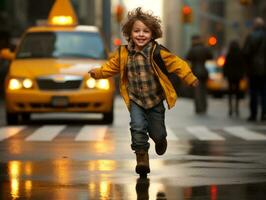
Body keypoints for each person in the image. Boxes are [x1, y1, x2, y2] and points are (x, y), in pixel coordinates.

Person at [88, 7, 198, 177]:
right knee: (137, 128)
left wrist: (189, 77)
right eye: (137, 31)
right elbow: (110, 67)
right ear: (129, 33)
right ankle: (142, 159)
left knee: (157, 132)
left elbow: (178, 64)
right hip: (135, 100)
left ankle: (161, 140)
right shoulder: (123, 53)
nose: (141, 34)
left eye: (146, 31)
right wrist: (98, 73)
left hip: (155, 100)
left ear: (152, 34)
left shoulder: (157, 52)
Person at [243, 17, 266, 122]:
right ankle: (264, 114)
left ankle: (253, 114)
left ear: (255, 26)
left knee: (253, 92)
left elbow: (245, 53)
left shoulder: (250, 37)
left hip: (253, 69)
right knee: (264, 92)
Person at [186, 35, 213, 114]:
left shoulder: (193, 49)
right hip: (204, 71)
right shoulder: (205, 48)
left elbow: (187, 58)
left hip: (196, 72)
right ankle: (204, 107)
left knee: (197, 91)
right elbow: (210, 56)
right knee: (204, 90)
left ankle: (199, 108)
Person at [223, 40, 246, 117]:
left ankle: (230, 109)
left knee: (230, 92)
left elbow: (225, 66)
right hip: (238, 76)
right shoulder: (240, 54)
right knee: (237, 92)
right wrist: (243, 75)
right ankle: (236, 108)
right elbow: (243, 65)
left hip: (230, 76)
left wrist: (225, 75)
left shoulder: (229, 54)